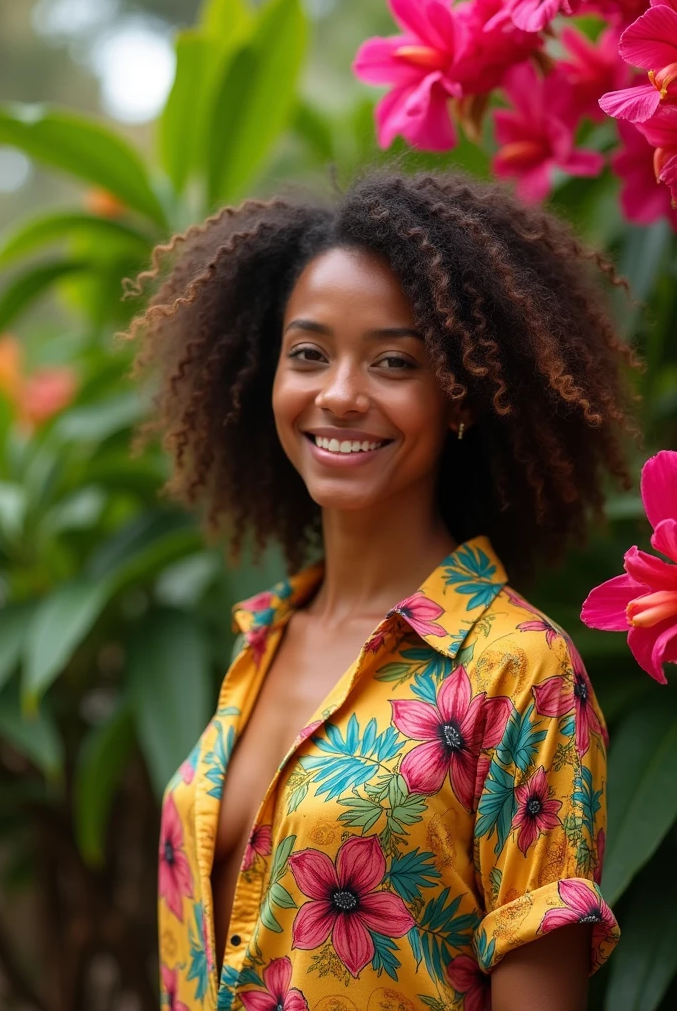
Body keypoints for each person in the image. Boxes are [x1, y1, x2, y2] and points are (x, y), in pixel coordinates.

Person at [126, 167, 640, 1011]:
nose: (339, 394)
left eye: (394, 361)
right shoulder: (262, 642)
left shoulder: (516, 671)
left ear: (461, 396)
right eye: (309, 354)